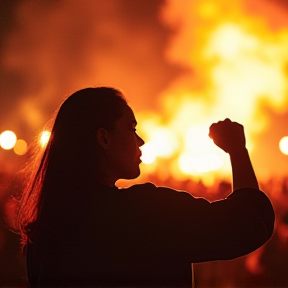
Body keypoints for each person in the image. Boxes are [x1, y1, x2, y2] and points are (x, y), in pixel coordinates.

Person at [15, 87, 274, 288]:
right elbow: (249, 222)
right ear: (103, 138)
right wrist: (238, 150)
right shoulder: (144, 212)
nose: (141, 140)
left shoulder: (44, 230)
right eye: (132, 128)